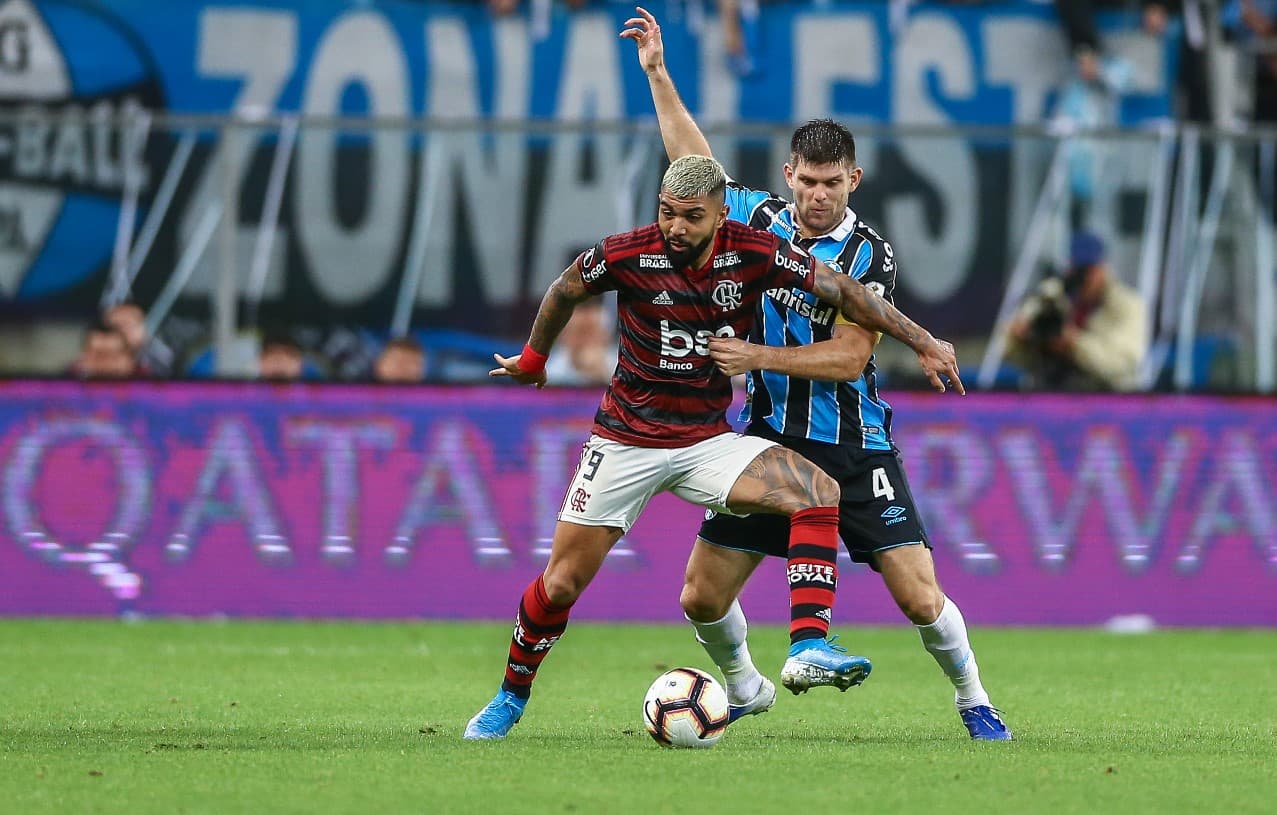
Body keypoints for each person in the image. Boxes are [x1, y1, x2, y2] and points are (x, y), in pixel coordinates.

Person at [463, 154, 964, 740]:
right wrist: (533, 357)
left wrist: (923, 340)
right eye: (667, 213)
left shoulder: (752, 251)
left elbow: (843, 292)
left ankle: (808, 645)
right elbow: (565, 287)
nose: (676, 228)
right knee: (563, 582)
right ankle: (509, 698)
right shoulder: (628, 252)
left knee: (816, 490)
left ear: (720, 214)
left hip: (705, 440)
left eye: (691, 218)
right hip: (626, 438)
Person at [623, 7, 1010, 740]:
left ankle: (972, 698)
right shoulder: (759, 219)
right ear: (787, 176)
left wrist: (754, 357)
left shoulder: (870, 255)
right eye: (806, 181)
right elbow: (692, 162)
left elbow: (850, 357)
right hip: (770, 440)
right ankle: (745, 684)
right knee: (700, 595)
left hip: (854, 447)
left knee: (918, 596)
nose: (816, 195)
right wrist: (657, 73)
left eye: (831, 182)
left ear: (852, 179)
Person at [1006, 231, 1147, 391]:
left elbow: (1123, 362)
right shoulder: (1052, 294)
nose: (1083, 278)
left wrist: (1074, 344)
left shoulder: (1127, 305)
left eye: (1088, 271)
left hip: (1110, 397)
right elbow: (1015, 353)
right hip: (1053, 390)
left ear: (1102, 268)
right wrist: (1020, 338)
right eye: (1077, 270)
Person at [103, 301, 174, 377]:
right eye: (116, 327)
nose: (123, 330)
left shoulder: (171, 328)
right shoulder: (134, 365)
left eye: (126, 323)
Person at [71, 321, 138, 380]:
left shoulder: (147, 384)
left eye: (113, 356)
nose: (106, 363)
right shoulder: (63, 386)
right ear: (83, 356)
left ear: (129, 359)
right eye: (98, 355)